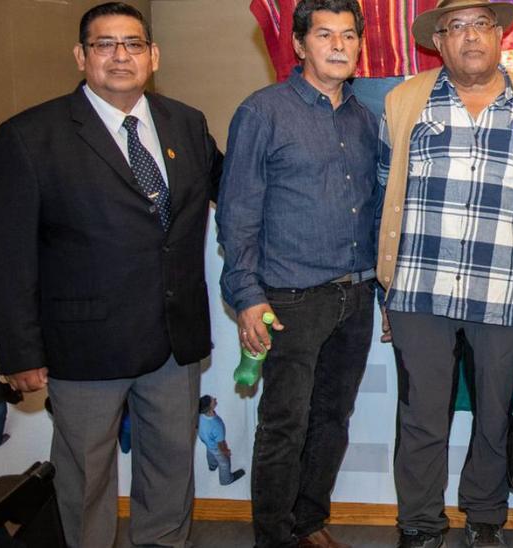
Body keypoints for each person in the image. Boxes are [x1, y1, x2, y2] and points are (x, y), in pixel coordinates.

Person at [0, 2, 223, 546]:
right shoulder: (30, 135)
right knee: (86, 483)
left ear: (153, 56)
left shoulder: (186, 122)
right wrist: (21, 353)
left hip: (172, 340)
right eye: (104, 44)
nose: (121, 55)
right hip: (84, 346)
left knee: (170, 474)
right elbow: (8, 257)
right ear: (80, 55)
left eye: (133, 44)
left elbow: (231, 192)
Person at [376, 0, 513, 545]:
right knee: (421, 418)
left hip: (506, 290)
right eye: (456, 26)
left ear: (500, 35)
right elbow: (382, 195)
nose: (471, 36)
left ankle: (484, 518)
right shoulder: (404, 100)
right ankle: (419, 523)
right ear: (438, 39)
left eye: (482, 24)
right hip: (418, 288)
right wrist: (383, 288)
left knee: (493, 414)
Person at [216, 0, 382, 545]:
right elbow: (237, 215)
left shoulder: (363, 118)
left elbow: (376, 208)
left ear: (361, 43)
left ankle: (309, 523)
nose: (339, 46)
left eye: (349, 35)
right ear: (298, 44)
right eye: (325, 35)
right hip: (288, 301)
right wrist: (245, 296)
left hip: (354, 296)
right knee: (285, 427)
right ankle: (274, 536)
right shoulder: (263, 112)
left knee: (332, 420)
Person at [197, 395, 246, 485]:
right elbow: (221, 443)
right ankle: (226, 480)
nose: (215, 399)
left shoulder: (199, 416)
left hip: (206, 441)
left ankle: (212, 466)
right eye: (213, 401)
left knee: (210, 452)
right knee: (224, 463)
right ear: (210, 408)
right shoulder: (217, 424)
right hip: (216, 446)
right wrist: (225, 451)